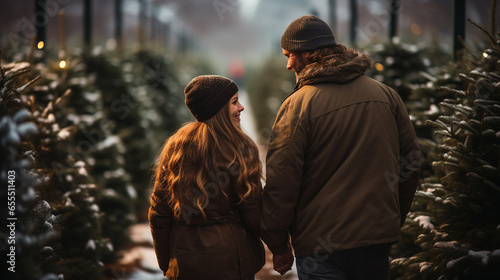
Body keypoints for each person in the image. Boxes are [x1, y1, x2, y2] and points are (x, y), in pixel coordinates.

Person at [260, 15, 421, 280]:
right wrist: (388, 220)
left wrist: (278, 245)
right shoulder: (386, 96)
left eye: (291, 55)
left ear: (310, 54)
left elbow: (282, 182)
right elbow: (411, 164)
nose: (288, 65)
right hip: (374, 241)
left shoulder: (298, 106)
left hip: (319, 246)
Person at [149, 75, 265, 280]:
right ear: (218, 109)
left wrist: (166, 262)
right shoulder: (239, 149)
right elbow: (252, 209)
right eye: (234, 102)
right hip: (229, 259)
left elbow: (159, 213)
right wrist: (280, 247)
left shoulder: (176, 148)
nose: (241, 107)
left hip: (185, 262)